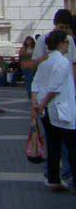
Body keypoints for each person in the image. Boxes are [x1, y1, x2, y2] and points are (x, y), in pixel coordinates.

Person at [31, 30, 76, 192]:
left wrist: (35, 103)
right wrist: (42, 104)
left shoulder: (45, 62)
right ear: (59, 44)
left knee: (54, 145)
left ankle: (53, 178)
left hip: (48, 111)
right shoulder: (63, 62)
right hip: (62, 109)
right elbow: (55, 88)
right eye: (66, 42)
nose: (68, 45)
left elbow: (35, 83)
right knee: (72, 146)